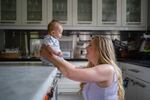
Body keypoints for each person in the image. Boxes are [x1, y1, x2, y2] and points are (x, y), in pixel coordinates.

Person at [40, 36, 125, 100]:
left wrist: (48, 56)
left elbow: (70, 73)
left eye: (90, 45)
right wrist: (52, 56)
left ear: (100, 50)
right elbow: (73, 68)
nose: (86, 47)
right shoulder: (97, 67)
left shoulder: (108, 69)